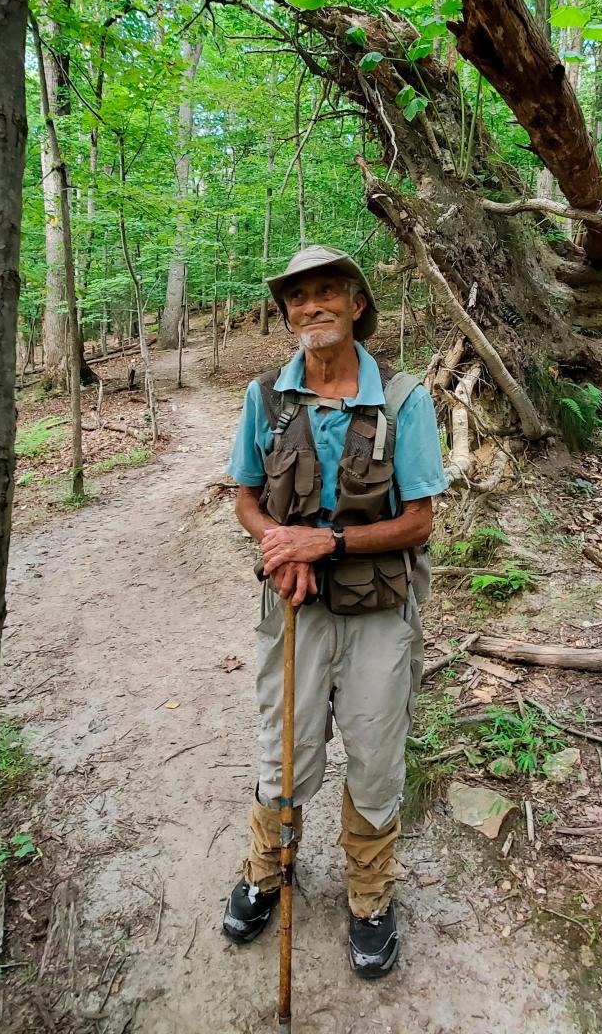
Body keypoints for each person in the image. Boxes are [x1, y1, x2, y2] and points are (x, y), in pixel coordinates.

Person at [221, 245, 448, 977]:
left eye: (326, 293)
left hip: (380, 609)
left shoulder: (405, 401)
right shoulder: (265, 397)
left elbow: (419, 520)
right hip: (292, 606)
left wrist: (326, 542)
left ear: (356, 304)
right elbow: (248, 501)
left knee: (376, 753)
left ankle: (370, 897)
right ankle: (266, 871)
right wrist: (280, 548)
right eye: (296, 297)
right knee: (282, 746)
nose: (309, 307)